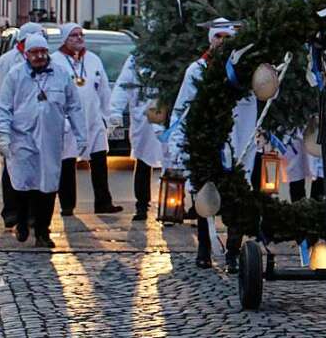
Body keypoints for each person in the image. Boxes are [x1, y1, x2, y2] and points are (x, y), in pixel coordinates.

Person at [169, 18, 257, 270]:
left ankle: (232, 251)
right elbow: (181, 108)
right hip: (207, 143)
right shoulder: (196, 70)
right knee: (205, 193)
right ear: (211, 39)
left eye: (227, 38)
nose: (222, 42)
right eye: (218, 37)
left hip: (240, 145)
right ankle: (205, 248)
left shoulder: (245, 71)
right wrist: (178, 144)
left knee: (237, 196)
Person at [0, 34, 86, 248]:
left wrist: (81, 135)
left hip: (51, 139)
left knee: (47, 185)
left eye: (43, 52)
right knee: (23, 183)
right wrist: (4, 136)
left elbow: (74, 106)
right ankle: (23, 222)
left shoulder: (61, 75)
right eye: (35, 53)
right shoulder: (15, 76)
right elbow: (3, 108)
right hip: (22, 138)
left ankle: (43, 231)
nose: (40, 57)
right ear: (27, 54)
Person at [51, 23, 122, 215]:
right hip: (68, 122)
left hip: (93, 119)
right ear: (65, 39)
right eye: (74, 35)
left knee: (99, 160)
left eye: (81, 35)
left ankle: (103, 202)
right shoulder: (55, 61)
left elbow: (104, 89)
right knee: (67, 164)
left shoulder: (93, 60)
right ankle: (67, 205)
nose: (79, 38)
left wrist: (108, 116)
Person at [0, 22, 44, 227]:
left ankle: (32, 214)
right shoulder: (6, 62)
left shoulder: (46, 63)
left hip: (38, 127)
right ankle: (11, 211)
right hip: (13, 126)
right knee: (11, 170)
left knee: (35, 173)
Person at [109, 54, 165, 221]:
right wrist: (115, 111)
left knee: (173, 161)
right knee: (143, 161)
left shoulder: (174, 53)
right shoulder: (137, 59)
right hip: (144, 118)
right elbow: (123, 85)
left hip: (168, 113)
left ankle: (173, 207)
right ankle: (142, 205)